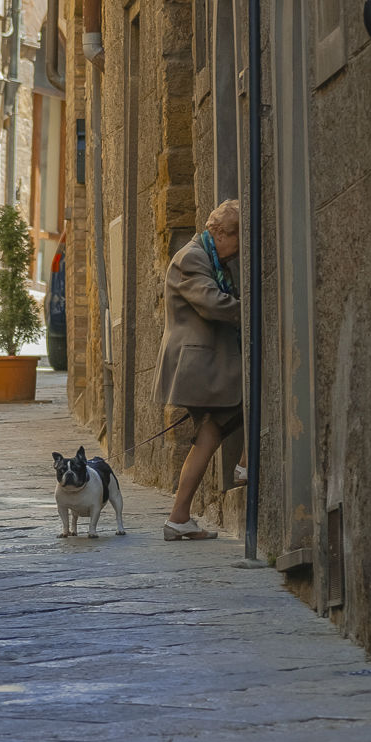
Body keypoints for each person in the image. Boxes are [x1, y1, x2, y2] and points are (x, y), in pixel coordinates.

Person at [153, 198, 243, 540]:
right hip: (196, 364)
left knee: (209, 434)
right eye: (236, 241)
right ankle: (245, 467)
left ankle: (179, 517)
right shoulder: (192, 258)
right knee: (252, 395)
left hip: (204, 362)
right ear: (219, 233)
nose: (236, 252)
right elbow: (211, 303)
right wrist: (249, 310)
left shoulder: (210, 258)